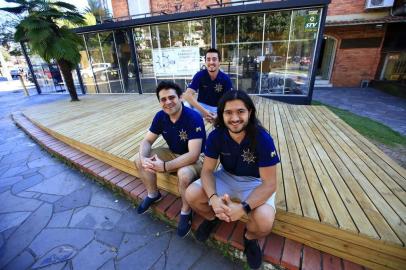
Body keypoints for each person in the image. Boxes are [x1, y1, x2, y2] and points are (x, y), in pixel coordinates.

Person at [185, 90, 279, 269]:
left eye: (240, 111)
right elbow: (207, 171)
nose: (235, 118)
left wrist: (243, 208)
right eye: (228, 112)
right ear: (221, 114)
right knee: (191, 194)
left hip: (255, 182)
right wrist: (213, 199)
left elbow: (270, 183)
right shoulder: (216, 136)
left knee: (265, 222)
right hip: (226, 176)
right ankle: (213, 218)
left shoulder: (262, 139)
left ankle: (249, 239)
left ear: (250, 113)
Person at [135, 80, 206, 238]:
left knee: (184, 175)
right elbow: (147, 141)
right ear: (159, 102)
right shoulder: (161, 116)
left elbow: (193, 154)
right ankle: (153, 194)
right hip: (174, 152)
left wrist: (165, 166)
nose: (168, 102)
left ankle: (186, 211)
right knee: (140, 159)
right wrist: (143, 157)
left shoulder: (193, 117)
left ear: (180, 97)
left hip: (197, 159)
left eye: (171, 97)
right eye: (163, 99)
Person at [183, 48, 233, 123]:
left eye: (214, 59)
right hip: (202, 107)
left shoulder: (225, 78)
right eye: (208, 59)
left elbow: (229, 101)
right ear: (205, 62)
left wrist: (219, 114)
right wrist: (205, 112)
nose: (211, 62)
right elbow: (187, 95)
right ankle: (193, 131)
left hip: (218, 108)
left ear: (219, 62)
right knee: (185, 105)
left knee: (231, 112)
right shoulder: (199, 75)